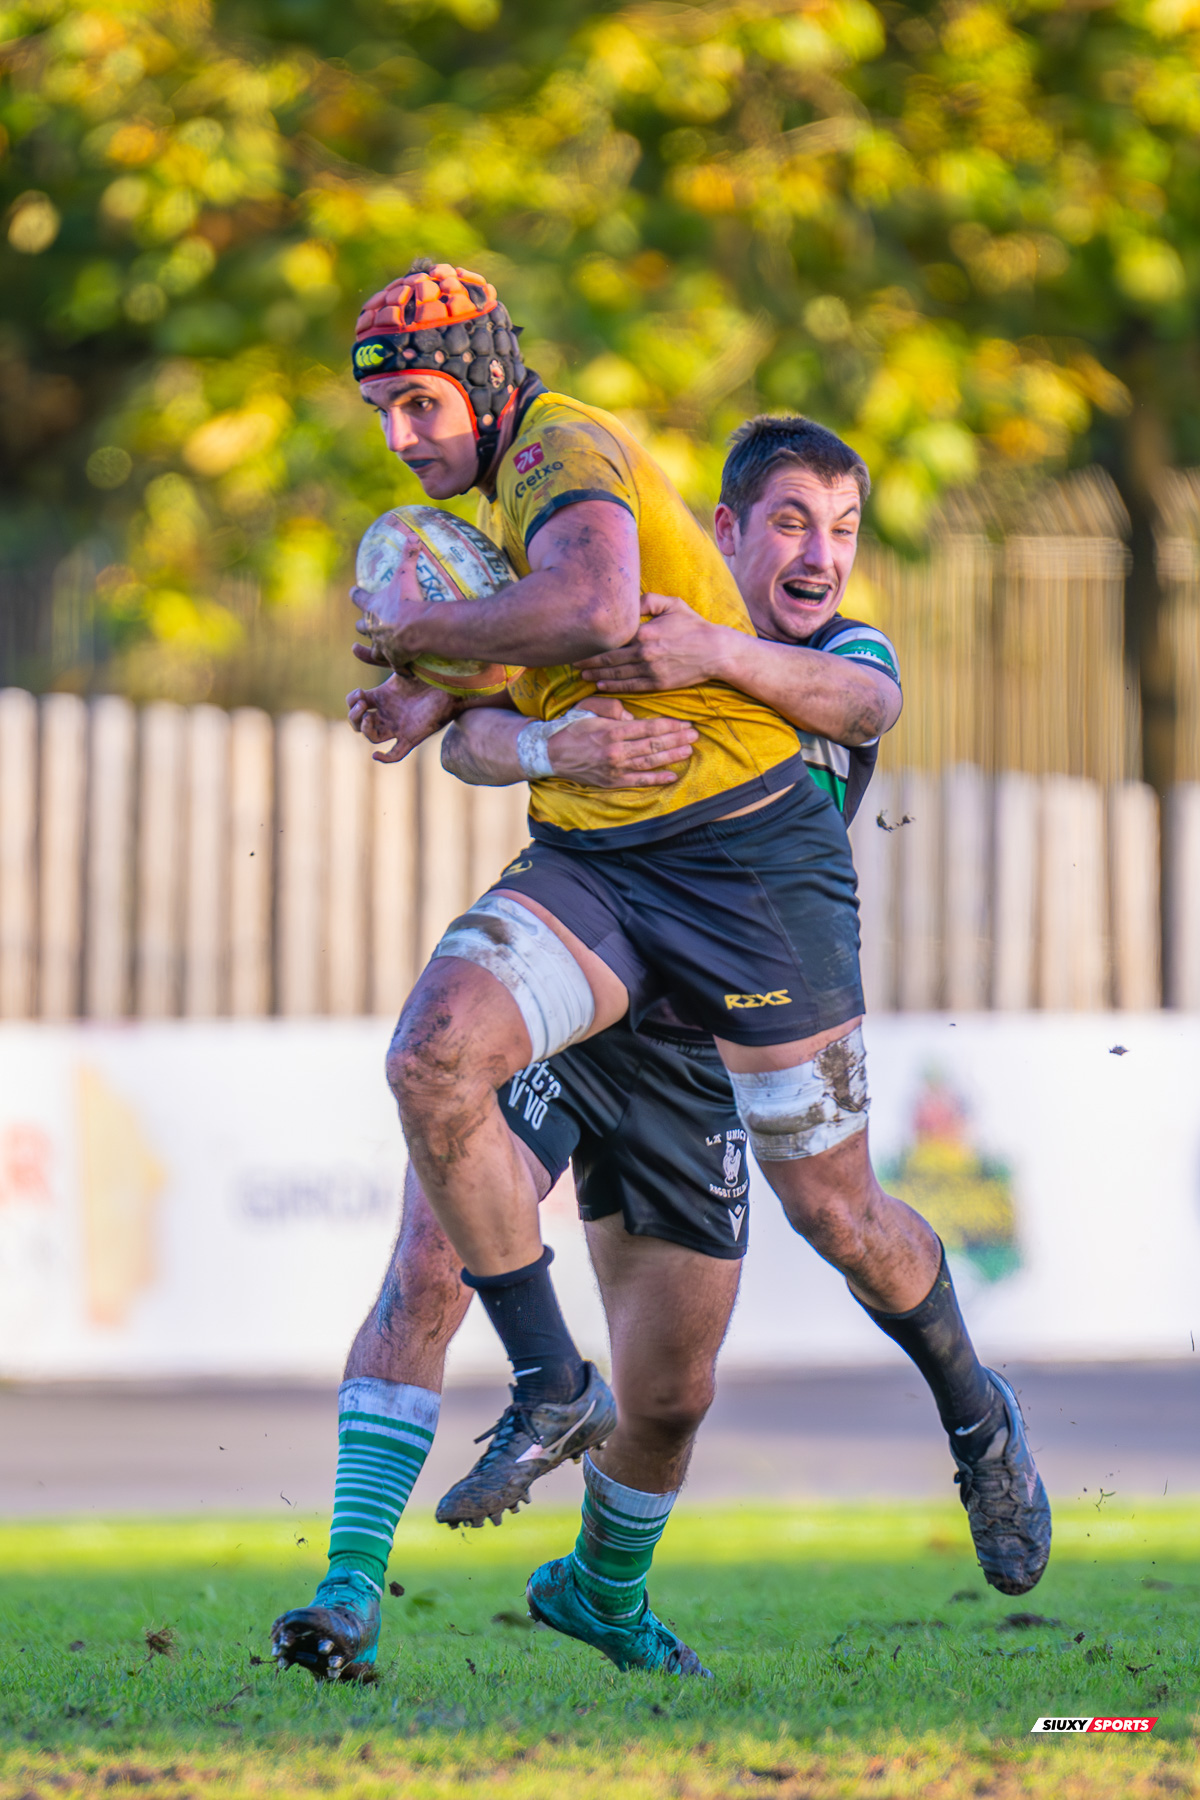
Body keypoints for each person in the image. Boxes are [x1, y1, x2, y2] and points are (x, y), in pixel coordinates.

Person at [269, 404, 1050, 1683]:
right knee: (428, 1259)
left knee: (693, 1376)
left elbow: (863, 701)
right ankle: (348, 1590)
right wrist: (528, 734)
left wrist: (714, 654)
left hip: (707, 1049)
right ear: (724, 530)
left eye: (844, 529)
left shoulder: (828, 647)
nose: (822, 554)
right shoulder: (621, 599)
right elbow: (477, 726)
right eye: (793, 522)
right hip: (588, 994)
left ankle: (641, 1576)